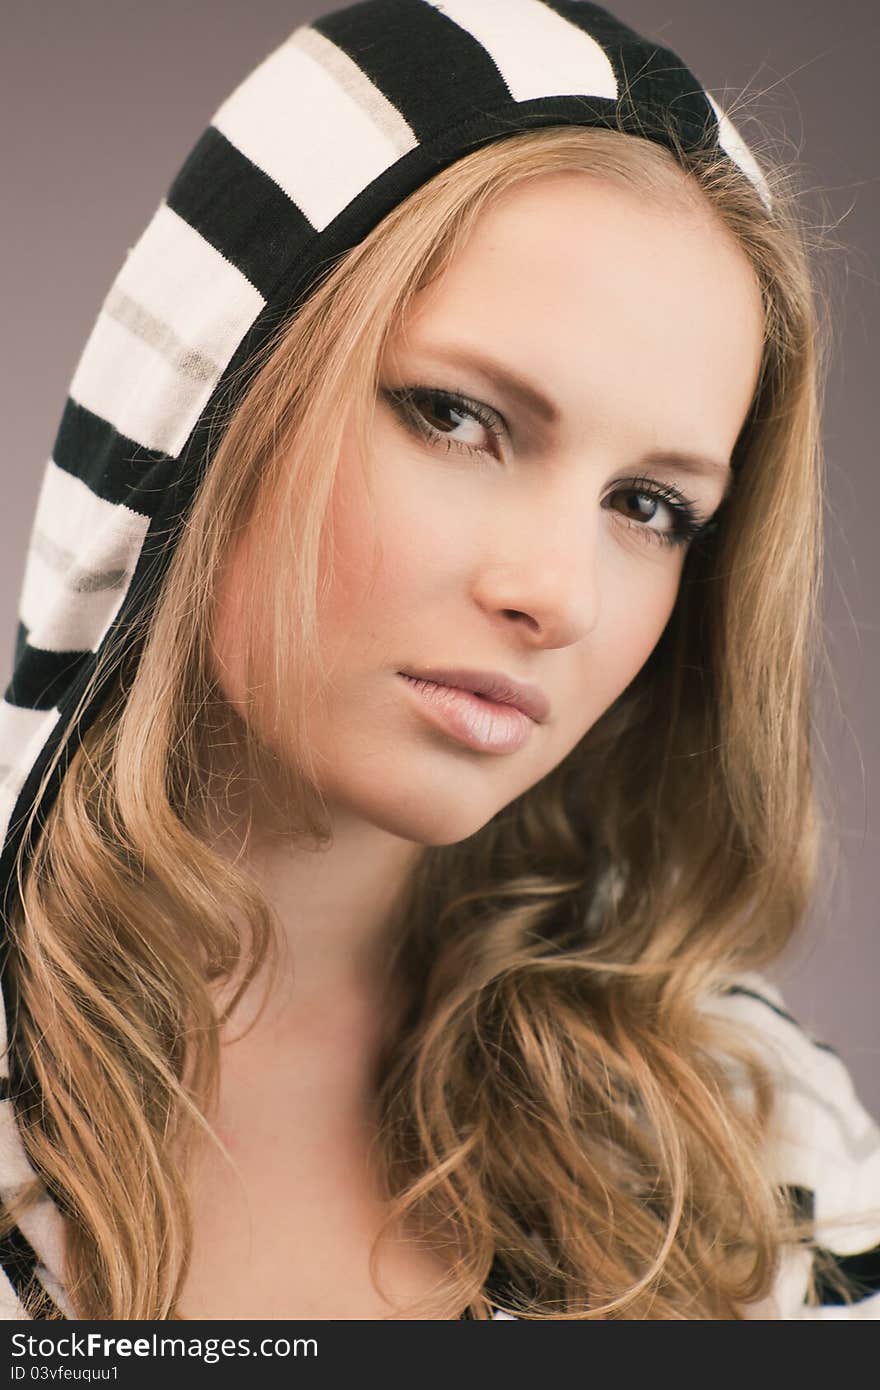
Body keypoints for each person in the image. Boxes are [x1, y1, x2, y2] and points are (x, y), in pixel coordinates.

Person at [0, 0, 877, 1322]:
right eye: (460, 418)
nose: (557, 595)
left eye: (649, 504)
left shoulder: (758, 1159)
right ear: (213, 393)